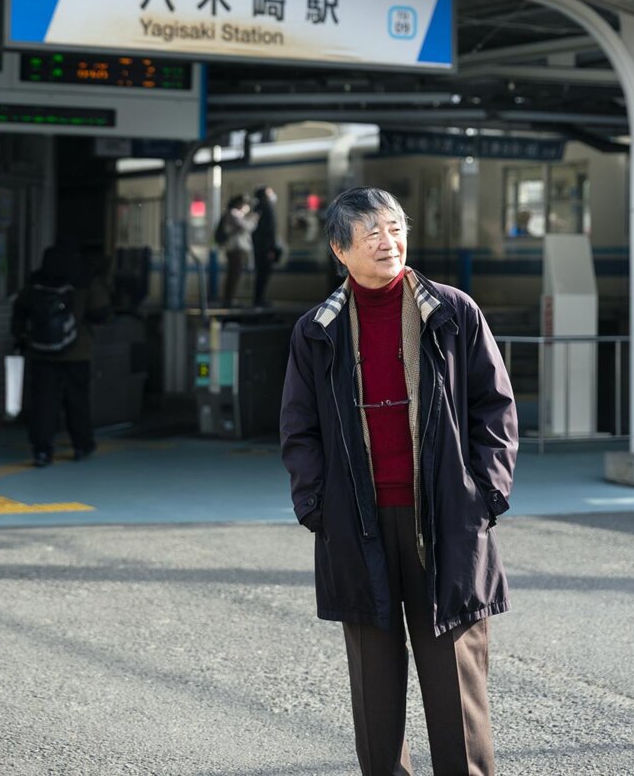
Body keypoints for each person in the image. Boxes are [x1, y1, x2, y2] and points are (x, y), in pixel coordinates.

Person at [280, 187, 518, 776]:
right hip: (357, 522)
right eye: (371, 235)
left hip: (445, 518)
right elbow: (298, 429)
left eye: (395, 229)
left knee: (455, 687)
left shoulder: (452, 312)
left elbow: (496, 407)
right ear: (341, 250)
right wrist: (317, 506)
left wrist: (484, 494)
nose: (388, 243)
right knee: (374, 688)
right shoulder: (318, 330)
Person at [13, 240, 111, 467]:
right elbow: (100, 313)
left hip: (41, 352)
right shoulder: (85, 278)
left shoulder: (37, 280)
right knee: (77, 400)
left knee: (43, 402)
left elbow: (20, 310)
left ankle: (42, 450)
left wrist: (20, 335)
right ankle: (81, 445)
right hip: (77, 353)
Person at [218, 195, 257, 308]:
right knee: (234, 274)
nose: (246, 207)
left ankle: (230, 298)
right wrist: (253, 220)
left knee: (234, 274)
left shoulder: (234, 214)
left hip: (235, 249)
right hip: (235, 249)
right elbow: (246, 227)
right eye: (245, 204)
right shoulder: (233, 214)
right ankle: (229, 299)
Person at [251, 185, 280, 307]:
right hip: (266, 247)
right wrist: (271, 248)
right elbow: (270, 231)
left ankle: (258, 298)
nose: (272, 195)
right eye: (269, 193)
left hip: (258, 247)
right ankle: (260, 299)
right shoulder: (268, 209)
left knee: (260, 273)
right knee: (264, 273)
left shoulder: (257, 209)